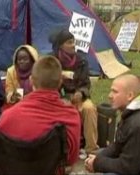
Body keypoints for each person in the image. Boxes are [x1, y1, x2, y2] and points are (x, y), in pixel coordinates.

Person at [0, 56, 81, 169]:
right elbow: (70, 159)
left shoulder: (8, 117)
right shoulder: (72, 117)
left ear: (31, 81)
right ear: (60, 81)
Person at [85, 74, 140, 175]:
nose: (109, 95)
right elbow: (118, 145)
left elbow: (127, 167)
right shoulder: (133, 114)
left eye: (115, 92)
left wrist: (97, 163)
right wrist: (98, 158)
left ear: (130, 96)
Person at [49, 28, 98, 156]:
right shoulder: (52, 61)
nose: (73, 45)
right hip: (58, 98)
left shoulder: (81, 61)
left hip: (78, 97)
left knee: (89, 108)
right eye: (69, 42)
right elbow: (47, 83)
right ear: (60, 45)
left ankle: (91, 149)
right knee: (64, 108)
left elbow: (85, 83)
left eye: (73, 42)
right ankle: (65, 149)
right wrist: (61, 96)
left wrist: (81, 93)